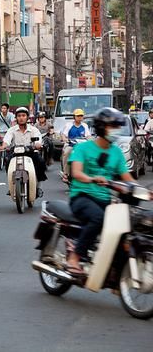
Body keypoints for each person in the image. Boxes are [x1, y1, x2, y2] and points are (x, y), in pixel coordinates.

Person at [66, 108, 134, 275]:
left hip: (105, 200)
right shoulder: (83, 149)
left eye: (118, 126)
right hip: (82, 196)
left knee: (126, 227)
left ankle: (114, 272)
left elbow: (128, 178)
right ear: (101, 127)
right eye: (113, 126)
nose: (116, 130)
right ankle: (75, 257)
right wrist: (92, 178)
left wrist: (141, 191)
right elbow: (76, 173)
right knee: (98, 219)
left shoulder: (116, 152)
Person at [1, 107, 47, 194]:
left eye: (23, 115)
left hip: (31, 153)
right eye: (19, 116)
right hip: (15, 153)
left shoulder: (34, 130)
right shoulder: (12, 130)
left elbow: (38, 141)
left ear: (27, 117)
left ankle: (37, 186)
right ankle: (12, 184)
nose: (21, 118)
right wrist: (4, 146)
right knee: (7, 162)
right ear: (16, 118)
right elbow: (7, 140)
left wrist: (38, 144)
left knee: (40, 162)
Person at [60, 109, 92, 181]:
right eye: (78, 116)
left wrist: (90, 140)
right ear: (74, 117)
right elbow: (63, 134)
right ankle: (65, 173)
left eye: (81, 116)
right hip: (71, 145)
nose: (80, 117)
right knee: (67, 152)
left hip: (81, 146)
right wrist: (65, 139)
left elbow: (88, 136)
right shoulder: (69, 125)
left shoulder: (85, 125)